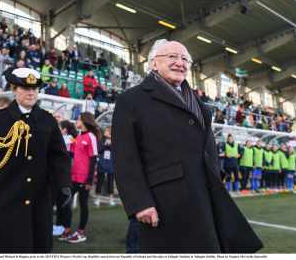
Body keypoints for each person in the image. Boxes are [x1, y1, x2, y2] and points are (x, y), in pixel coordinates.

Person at [112, 39, 262, 253]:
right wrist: (139, 202)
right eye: (172, 57)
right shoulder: (132, 100)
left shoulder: (199, 103)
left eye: (185, 59)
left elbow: (206, 146)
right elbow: (125, 156)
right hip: (164, 201)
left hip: (204, 195)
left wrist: (216, 175)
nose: (180, 63)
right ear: (154, 63)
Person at [0, 67, 71, 253]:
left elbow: (59, 157)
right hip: (5, 201)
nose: (31, 93)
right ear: (14, 89)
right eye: (25, 88)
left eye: (34, 89)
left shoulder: (47, 120)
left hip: (39, 203)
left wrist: (64, 184)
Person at [60, 112, 99, 243]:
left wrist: (89, 180)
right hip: (74, 177)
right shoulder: (78, 137)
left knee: (83, 204)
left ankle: (81, 232)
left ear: (84, 121)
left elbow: (93, 159)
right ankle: (67, 229)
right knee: (65, 201)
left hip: (84, 179)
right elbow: (72, 154)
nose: (76, 121)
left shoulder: (91, 137)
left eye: (78, 119)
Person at [94, 126, 116, 206]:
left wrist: (110, 145)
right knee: (100, 181)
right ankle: (97, 199)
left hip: (111, 164)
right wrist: (105, 145)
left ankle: (111, 199)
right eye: (105, 130)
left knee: (111, 182)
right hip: (102, 163)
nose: (105, 132)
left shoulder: (115, 140)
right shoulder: (101, 140)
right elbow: (99, 149)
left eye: (107, 131)